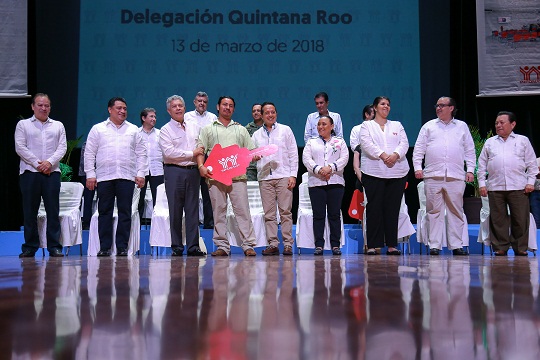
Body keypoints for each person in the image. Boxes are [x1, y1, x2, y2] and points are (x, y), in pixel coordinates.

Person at [84, 97, 148, 257]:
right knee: (104, 212)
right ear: (110, 110)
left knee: (125, 212)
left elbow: (141, 153)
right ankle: (104, 247)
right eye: (119, 108)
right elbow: (89, 153)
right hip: (105, 177)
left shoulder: (133, 130)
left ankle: (122, 247)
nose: (123, 111)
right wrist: (90, 174)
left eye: (125, 108)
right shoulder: (98, 129)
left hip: (127, 177)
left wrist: (140, 174)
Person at [196, 96, 260, 256]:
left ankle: (248, 245)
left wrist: (255, 155)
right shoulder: (208, 129)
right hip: (215, 177)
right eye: (224, 105)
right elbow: (200, 149)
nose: (227, 108)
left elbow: (250, 150)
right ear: (218, 107)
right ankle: (222, 246)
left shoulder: (241, 129)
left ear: (234, 109)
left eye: (231, 105)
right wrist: (200, 167)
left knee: (243, 211)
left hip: (238, 178)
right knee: (218, 212)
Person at [412, 97, 475, 256]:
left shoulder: (461, 127)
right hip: (433, 175)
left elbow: (469, 150)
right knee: (433, 211)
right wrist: (418, 167)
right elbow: (419, 149)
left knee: (456, 211)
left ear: (451, 108)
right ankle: (434, 245)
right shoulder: (429, 126)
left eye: (442, 106)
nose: (438, 108)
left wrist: (470, 170)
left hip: (455, 175)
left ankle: (456, 245)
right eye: (437, 105)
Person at [477, 111, 538, 256]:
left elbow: (532, 163)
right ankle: (500, 247)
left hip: (518, 186)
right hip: (495, 186)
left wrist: (530, 182)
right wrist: (481, 184)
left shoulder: (522, 140)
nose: (498, 125)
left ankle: (520, 248)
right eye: (496, 123)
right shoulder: (490, 142)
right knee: (498, 219)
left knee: (520, 219)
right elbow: (481, 165)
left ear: (513, 124)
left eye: (502, 122)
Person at [15, 93, 67, 258]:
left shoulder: (58, 125)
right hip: (30, 173)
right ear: (33, 106)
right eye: (40, 105)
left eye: (47, 105)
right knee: (30, 212)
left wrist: (49, 163)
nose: (44, 108)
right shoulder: (23, 125)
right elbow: (20, 147)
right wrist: (38, 163)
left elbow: (62, 148)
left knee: (53, 211)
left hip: (52, 173)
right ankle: (30, 247)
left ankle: (54, 246)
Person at [359, 96, 409, 255]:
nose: (386, 106)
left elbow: (404, 143)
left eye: (388, 104)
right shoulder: (367, 125)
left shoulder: (397, 125)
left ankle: (392, 244)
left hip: (396, 172)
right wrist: (382, 155)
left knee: (392, 209)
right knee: (374, 208)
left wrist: (395, 155)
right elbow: (366, 144)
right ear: (375, 107)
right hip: (374, 172)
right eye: (382, 104)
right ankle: (373, 245)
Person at [159, 95, 206, 256]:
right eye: (174, 106)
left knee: (193, 210)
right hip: (174, 171)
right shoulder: (165, 130)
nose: (178, 108)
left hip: (193, 171)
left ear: (185, 108)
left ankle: (193, 247)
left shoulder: (194, 126)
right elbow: (169, 153)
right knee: (175, 210)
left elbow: (201, 146)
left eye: (180, 105)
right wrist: (191, 153)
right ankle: (177, 247)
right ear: (168, 110)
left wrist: (199, 162)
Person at [252, 102, 299, 256]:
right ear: (262, 115)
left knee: (285, 212)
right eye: (267, 113)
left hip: (283, 175)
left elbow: (293, 153)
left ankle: (287, 244)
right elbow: (252, 155)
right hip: (265, 177)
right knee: (269, 214)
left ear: (276, 114)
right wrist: (255, 157)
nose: (270, 115)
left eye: (273, 112)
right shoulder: (256, 134)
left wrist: (293, 175)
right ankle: (272, 243)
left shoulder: (285, 130)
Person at [302, 115, 349, 255]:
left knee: (334, 215)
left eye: (324, 124)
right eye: (319, 124)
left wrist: (331, 168)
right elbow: (306, 159)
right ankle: (319, 245)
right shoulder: (311, 142)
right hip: (316, 183)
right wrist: (319, 170)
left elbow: (344, 158)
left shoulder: (339, 141)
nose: (320, 127)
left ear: (332, 126)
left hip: (335, 182)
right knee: (318, 215)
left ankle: (335, 245)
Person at [184, 91, 217, 229]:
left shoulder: (213, 117)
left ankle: (209, 223)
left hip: (209, 157)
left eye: (204, 101)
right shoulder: (186, 117)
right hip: (192, 156)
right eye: (199, 101)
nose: (201, 103)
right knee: (191, 192)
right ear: (194, 102)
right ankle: (193, 222)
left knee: (208, 191)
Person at [137, 108, 164, 222]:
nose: (154, 119)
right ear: (143, 118)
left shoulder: (160, 134)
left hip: (157, 170)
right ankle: (136, 226)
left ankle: (157, 226)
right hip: (141, 171)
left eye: (155, 117)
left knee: (158, 200)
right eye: (151, 116)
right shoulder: (136, 134)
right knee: (139, 200)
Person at [351, 104, 375, 190]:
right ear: (367, 114)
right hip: (362, 165)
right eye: (374, 113)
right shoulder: (356, 129)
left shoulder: (380, 129)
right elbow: (354, 147)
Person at [78, 141, 95, 230]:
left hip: (101, 174)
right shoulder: (87, 143)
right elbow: (85, 161)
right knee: (88, 199)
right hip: (86, 175)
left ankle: (98, 221)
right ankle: (86, 222)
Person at [245, 103, 263, 181]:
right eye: (254, 111)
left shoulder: (268, 128)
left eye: (258, 111)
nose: (256, 113)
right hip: (251, 167)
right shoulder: (247, 129)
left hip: (264, 165)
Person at [529, 157, 540, 229]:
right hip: (535, 193)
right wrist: (537, 174)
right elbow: (528, 175)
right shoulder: (536, 161)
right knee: (537, 219)